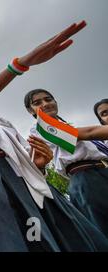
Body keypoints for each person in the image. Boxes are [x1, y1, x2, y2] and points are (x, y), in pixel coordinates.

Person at [0, 20, 108, 251]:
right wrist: (20, 64)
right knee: (8, 239)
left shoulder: (2, 122)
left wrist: (38, 165)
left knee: (62, 232)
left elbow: (26, 154)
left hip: (24, 175)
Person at [25, 89, 108, 238]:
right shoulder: (42, 128)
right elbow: (90, 133)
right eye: (37, 103)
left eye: (48, 99)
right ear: (30, 110)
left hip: (100, 171)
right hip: (86, 178)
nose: (45, 104)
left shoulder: (65, 124)